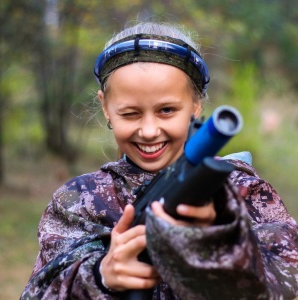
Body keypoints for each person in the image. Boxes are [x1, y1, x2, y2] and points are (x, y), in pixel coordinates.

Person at [21, 22, 298, 300]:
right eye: (130, 113)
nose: (150, 130)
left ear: (195, 105)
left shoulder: (240, 191)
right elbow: (39, 293)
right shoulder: (79, 201)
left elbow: (284, 283)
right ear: (106, 107)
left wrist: (221, 238)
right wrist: (100, 276)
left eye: (166, 110)